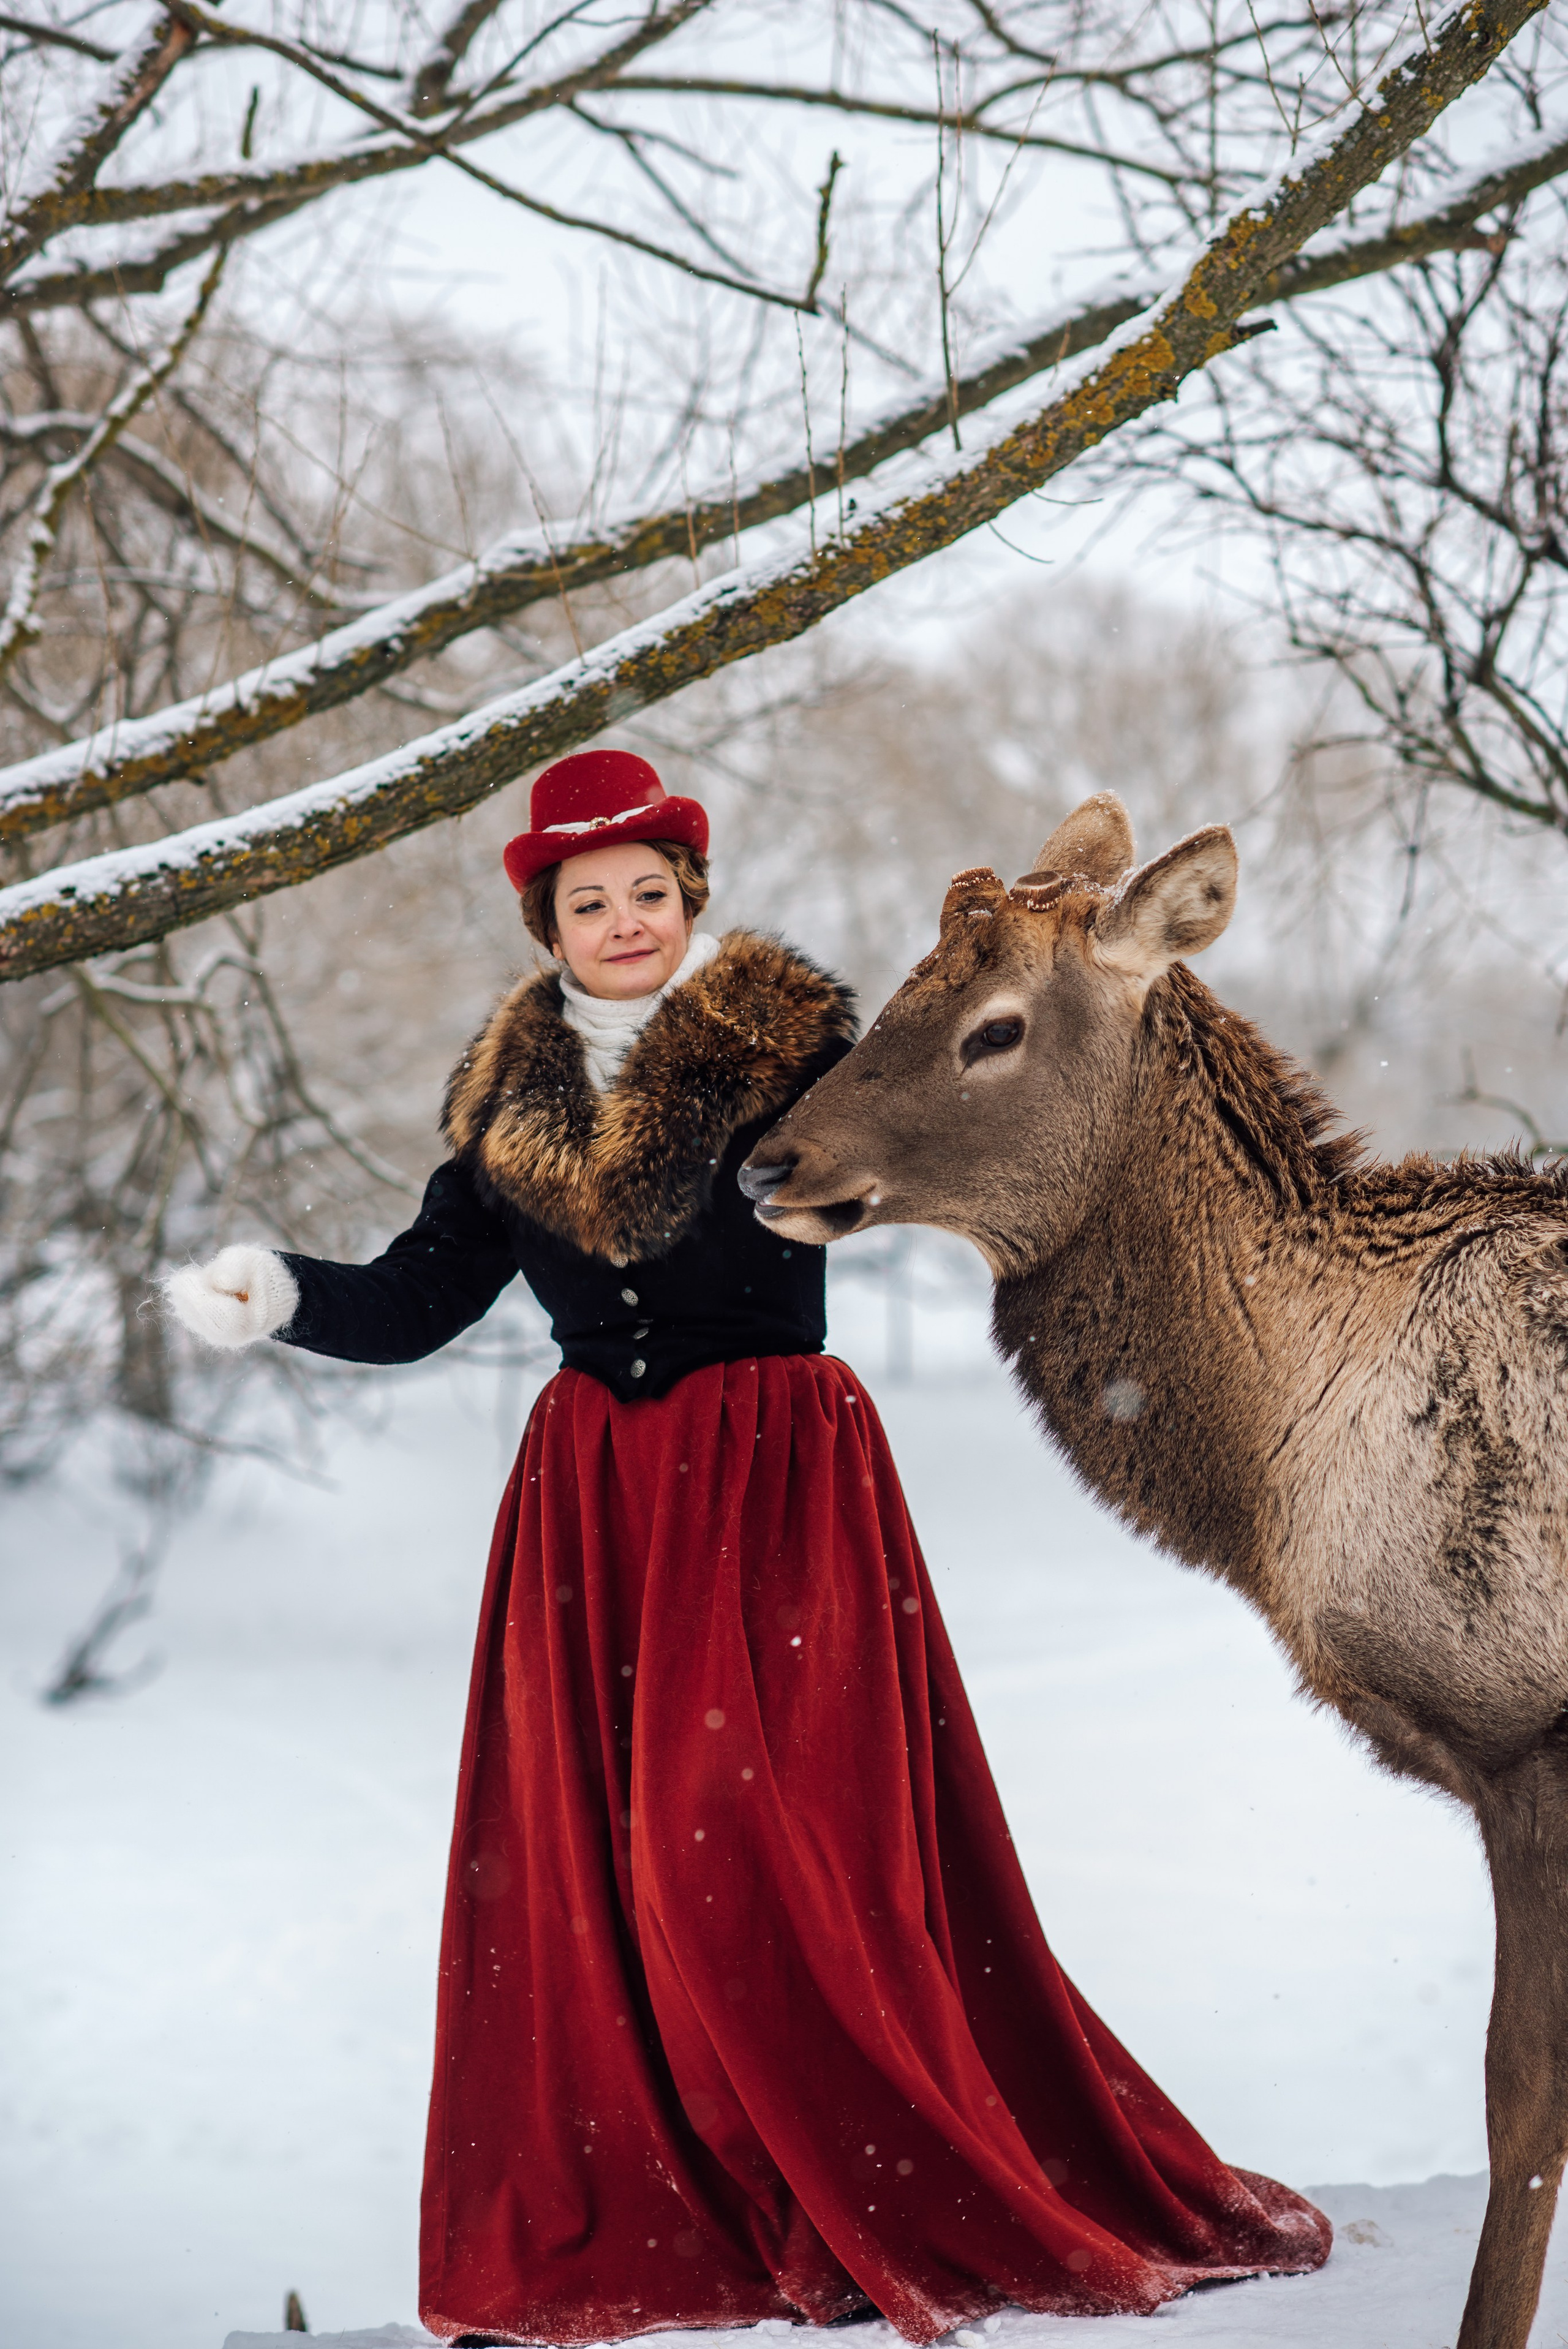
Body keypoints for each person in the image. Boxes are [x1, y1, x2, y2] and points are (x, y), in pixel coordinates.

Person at [165, 749, 1331, 2347]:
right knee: (605, 1877)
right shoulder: (509, 1101)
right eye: (591, 900)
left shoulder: (795, 1049)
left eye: (651, 891)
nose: (626, 920)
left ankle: (840, 2199)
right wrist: (281, 1294)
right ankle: (661, 2209)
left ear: (690, 900)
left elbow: (965, 1140)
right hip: (601, 1508)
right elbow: (420, 1296)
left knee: (754, 1848)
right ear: (548, 922)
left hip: (777, 1488)